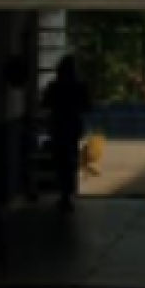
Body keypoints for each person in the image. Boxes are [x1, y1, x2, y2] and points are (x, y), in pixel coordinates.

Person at [41, 57, 92, 211]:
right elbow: (88, 106)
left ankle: (64, 194)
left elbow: (45, 103)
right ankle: (68, 193)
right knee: (70, 160)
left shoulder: (54, 86)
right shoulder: (80, 86)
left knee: (60, 160)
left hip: (58, 126)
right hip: (73, 127)